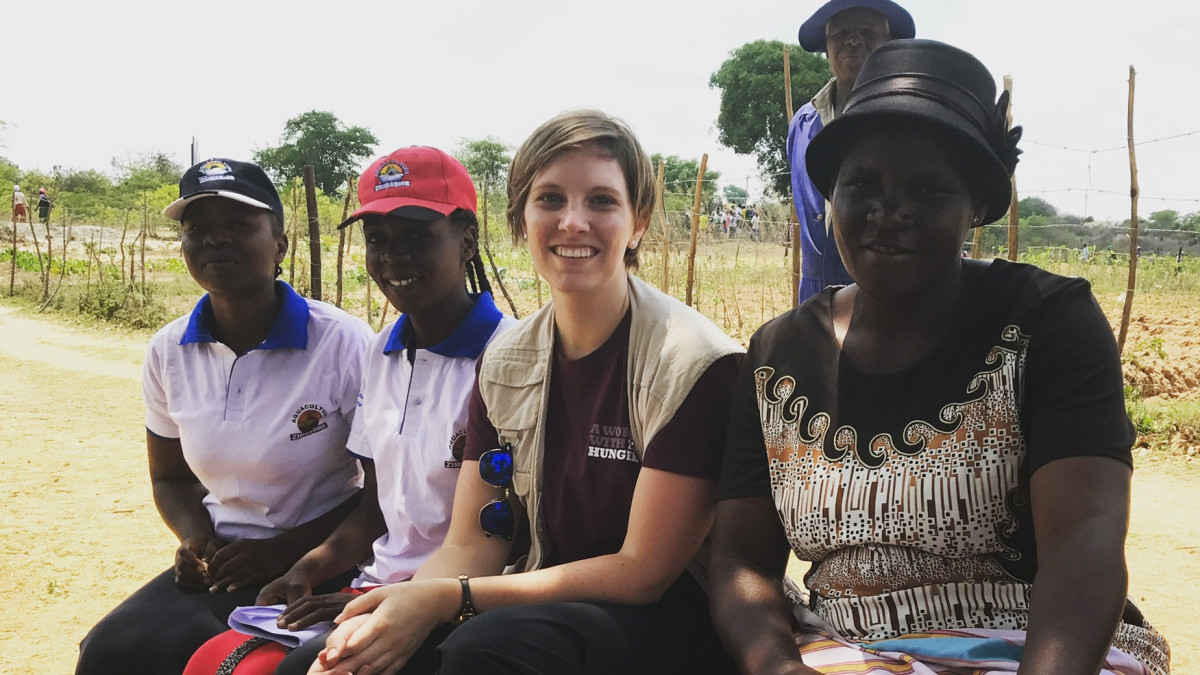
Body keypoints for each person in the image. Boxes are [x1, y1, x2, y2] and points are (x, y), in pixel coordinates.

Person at [710, 40, 1170, 675]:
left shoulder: (1046, 321)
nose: (887, 210)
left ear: (976, 206)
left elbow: (1083, 541)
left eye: (927, 190)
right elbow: (741, 562)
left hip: (1026, 642)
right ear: (831, 198)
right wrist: (780, 667)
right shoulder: (776, 355)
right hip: (840, 652)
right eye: (861, 184)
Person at [308, 109, 745, 675]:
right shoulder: (506, 361)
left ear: (638, 222)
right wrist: (398, 609)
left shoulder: (691, 363)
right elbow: (474, 542)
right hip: (543, 605)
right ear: (520, 219)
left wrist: (449, 598)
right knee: (322, 662)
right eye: (551, 199)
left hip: (669, 618)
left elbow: (642, 573)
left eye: (602, 201)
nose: (573, 222)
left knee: (481, 652)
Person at [181, 146, 516, 675]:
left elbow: (508, 536)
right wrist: (308, 569)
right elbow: (375, 507)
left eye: (416, 235)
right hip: (377, 582)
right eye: (378, 239)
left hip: (462, 600)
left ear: (467, 240)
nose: (393, 257)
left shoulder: (510, 361)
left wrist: (391, 601)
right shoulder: (381, 355)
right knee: (210, 663)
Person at [76, 158, 373, 675]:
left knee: (240, 668)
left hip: (323, 560)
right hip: (225, 564)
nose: (216, 242)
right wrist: (194, 538)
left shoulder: (341, 344)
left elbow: (381, 495)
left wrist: (284, 552)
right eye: (198, 230)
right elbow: (170, 477)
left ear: (281, 244)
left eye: (239, 226)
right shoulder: (169, 351)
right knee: (110, 652)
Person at [787, 0, 915, 303]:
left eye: (866, 31)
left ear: (888, 43)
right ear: (827, 46)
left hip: (886, 291)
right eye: (841, 33)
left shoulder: (908, 118)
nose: (853, 40)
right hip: (815, 293)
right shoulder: (804, 123)